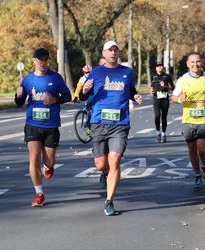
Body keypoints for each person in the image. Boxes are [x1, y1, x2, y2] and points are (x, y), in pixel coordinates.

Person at [79, 40, 142, 215]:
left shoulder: (127, 72)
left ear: (118, 53)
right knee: (100, 164)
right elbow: (82, 96)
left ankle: (109, 201)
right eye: (110, 50)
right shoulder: (96, 73)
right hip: (99, 121)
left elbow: (130, 90)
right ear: (104, 54)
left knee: (115, 160)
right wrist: (85, 89)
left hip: (120, 124)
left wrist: (135, 95)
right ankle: (103, 173)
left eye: (116, 50)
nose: (113, 53)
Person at [15, 48, 71, 206]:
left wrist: (55, 100)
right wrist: (18, 96)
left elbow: (67, 96)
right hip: (32, 124)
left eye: (45, 59)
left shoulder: (56, 78)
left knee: (49, 161)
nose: (42, 62)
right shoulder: (27, 80)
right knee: (33, 158)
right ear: (34, 61)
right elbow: (19, 102)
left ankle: (49, 166)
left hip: (51, 125)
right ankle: (39, 193)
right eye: (40, 59)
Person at [171, 51, 205, 189]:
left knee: (202, 149)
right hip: (188, 120)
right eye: (192, 62)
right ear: (188, 64)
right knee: (192, 150)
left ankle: (203, 165)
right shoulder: (183, 80)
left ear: (202, 62)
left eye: (198, 61)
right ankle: (198, 175)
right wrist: (180, 99)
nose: (195, 64)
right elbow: (174, 97)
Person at [150, 63, 174, 142]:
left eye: (161, 66)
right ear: (156, 68)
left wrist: (165, 86)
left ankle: (163, 133)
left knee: (164, 117)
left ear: (163, 68)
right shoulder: (153, 76)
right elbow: (151, 86)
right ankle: (158, 133)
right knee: (157, 116)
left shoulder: (167, 76)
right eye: (158, 66)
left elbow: (172, 87)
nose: (160, 67)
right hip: (156, 98)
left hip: (164, 98)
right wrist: (151, 90)